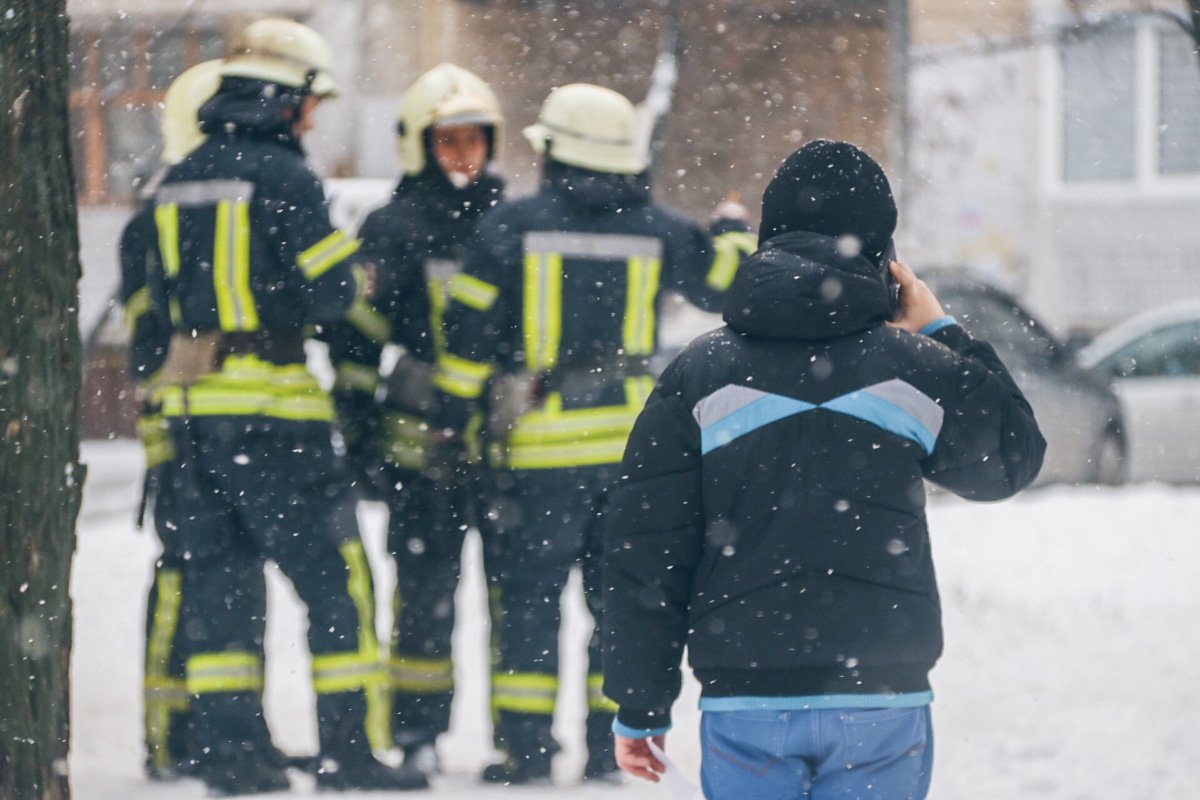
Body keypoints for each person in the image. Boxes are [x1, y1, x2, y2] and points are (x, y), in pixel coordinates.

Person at [602, 139, 1047, 800]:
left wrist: (641, 704)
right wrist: (942, 331)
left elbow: (646, 549)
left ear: (767, 240)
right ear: (884, 258)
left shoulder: (699, 376)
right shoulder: (914, 370)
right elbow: (1010, 458)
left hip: (745, 693)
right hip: (882, 695)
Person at [430, 82, 756, 785]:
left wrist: (449, 426)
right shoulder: (664, 229)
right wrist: (730, 231)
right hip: (632, 454)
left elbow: (465, 343)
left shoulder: (505, 229)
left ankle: (524, 751)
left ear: (551, 150)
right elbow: (729, 287)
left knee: (526, 605)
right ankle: (611, 748)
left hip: (538, 454)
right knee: (623, 607)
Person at [139, 18, 426, 795]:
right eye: (310, 102)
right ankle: (351, 754)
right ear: (285, 96)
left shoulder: (177, 179)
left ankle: (234, 757)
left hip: (197, 417)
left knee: (221, 592)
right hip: (279, 415)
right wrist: (351, 279)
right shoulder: (286, 178)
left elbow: (151, 307)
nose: (313, 117)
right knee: (337, 584)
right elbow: (332, 291)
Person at [328, 62, 506, 776]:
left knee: (517, 601)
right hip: (419, 450)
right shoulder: (393, 226)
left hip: (502, 444)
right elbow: (356, 338)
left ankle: (519, 736)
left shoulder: (509, 219)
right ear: (416, 145)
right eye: (448, 141)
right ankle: (417, 734)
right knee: (425, 600)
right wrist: (360, 428)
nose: (464, 156)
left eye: (475, 141)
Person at [120, 58, 242, 781]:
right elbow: (147, 342)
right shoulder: (160, 218)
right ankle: (169, 734)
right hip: (179, 421)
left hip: (196, 420)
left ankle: (210, 731)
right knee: (180, 580)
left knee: (206, 582)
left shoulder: (175, 209)